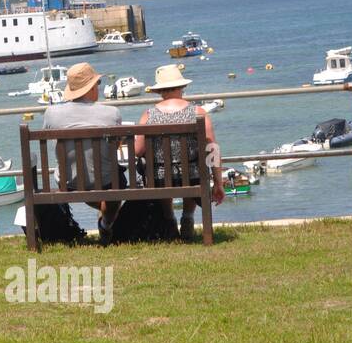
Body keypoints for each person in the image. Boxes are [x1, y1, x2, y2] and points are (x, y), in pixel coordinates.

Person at [132, 64, 223, 239]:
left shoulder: (148, 115)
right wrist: (219, 182)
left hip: (159, 179)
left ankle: (169, 218)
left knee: (161, 171)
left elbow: (138, 150)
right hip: (194, 177)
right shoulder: (198, 112)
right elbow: (212, 149)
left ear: (159, 91)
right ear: (182, 86)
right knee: (192, 165)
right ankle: (188, 217)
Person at [39, 61, 122, 241]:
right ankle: (106, 225)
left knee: (83, 178)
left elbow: (48, 138)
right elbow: (115, 146)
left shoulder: (51, 113)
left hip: (68, 182)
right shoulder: (112, 113)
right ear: (91, 87)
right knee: (116, 181)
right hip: (108, 182)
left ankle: (105, 219)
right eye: (97, 83)